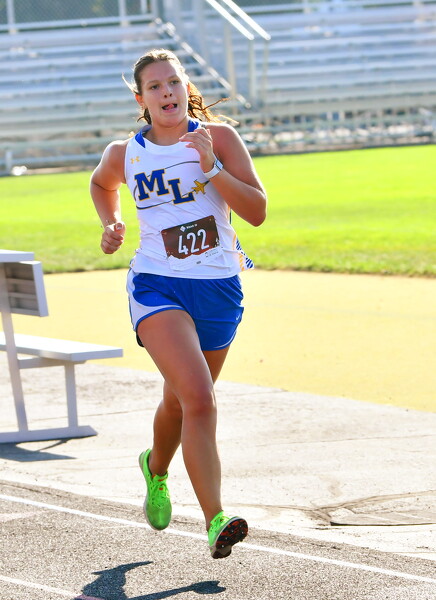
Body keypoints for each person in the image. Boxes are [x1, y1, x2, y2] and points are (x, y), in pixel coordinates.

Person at [90, 48, 267, 559]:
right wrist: (111, 222)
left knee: (178, 400)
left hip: (218, 287)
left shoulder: (220, 139)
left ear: (186, 88)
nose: (166, 92)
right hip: (157, 284)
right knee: (200, 400)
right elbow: (102, 183)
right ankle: (216, 519)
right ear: (141, 99)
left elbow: (256, 212)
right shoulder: (125, 153)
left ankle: (156, 468)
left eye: (173, 82)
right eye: (155, 86)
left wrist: (212, 168)